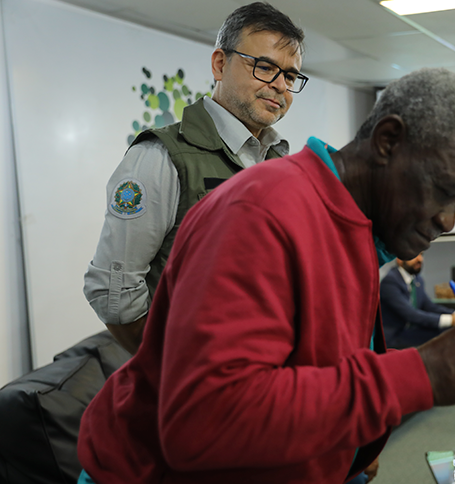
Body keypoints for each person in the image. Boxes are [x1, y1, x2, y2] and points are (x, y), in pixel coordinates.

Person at [78, 67, 455, 484]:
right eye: (443, 191)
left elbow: (308, 370)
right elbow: (205, 421)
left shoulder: (357, 229)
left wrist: (350, 447)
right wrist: (421, 373)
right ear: (388, 141)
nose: (447, 221)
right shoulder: (261, 210)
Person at [83, 2, 306, 355]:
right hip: (193, 374)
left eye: (290, 76)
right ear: (220, 64)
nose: (280, 85)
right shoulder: (161, 156)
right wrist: (169, 366)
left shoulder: (280, 161)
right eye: (265, 67)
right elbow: (113, 291)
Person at [381, 252, 455, 348]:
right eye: (415, 255)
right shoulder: (390, 281)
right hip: (394, 336)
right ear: (400, 260)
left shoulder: (417, 279)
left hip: (411, 331)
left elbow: (430, 306)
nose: (420, 259)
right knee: (445, 335)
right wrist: (450, 320)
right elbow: (411, 315)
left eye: (421, 255)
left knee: (448, 331)